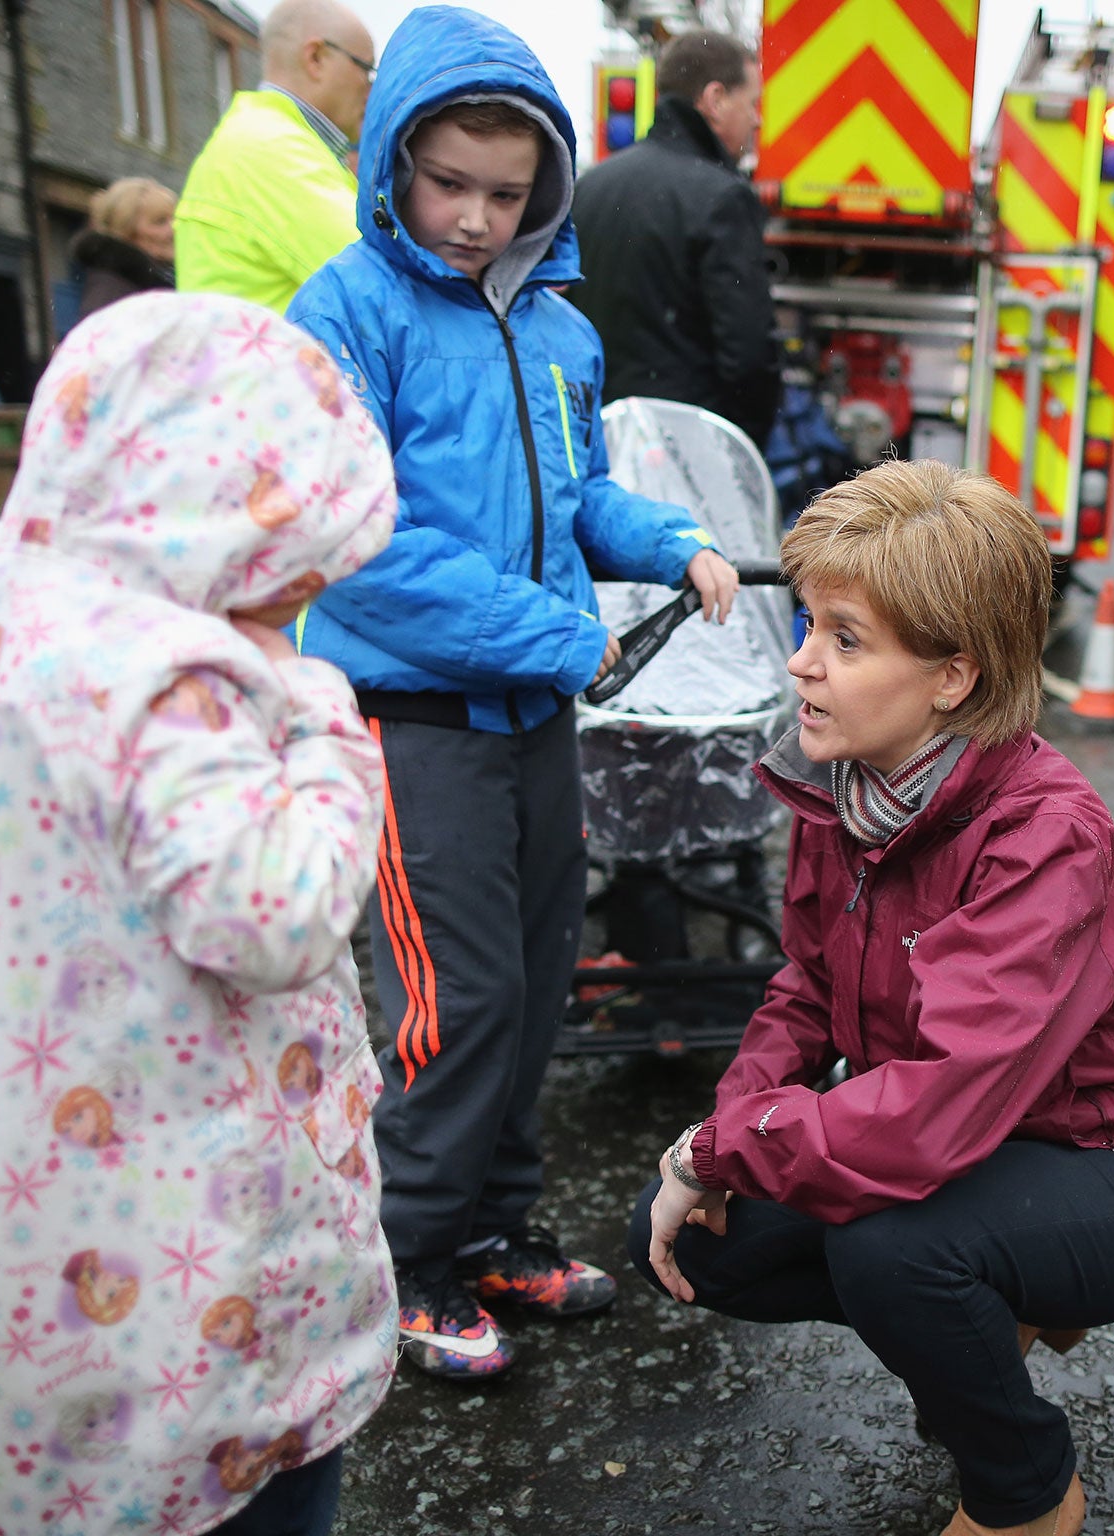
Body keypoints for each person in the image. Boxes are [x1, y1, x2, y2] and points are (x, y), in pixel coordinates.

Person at [0, 291, 400, 1536]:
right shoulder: (170, 681)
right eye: (287, 573)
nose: (287, 605)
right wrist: (318, 710)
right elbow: (279, 912)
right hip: (198, 1293)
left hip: (26, 1251)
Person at [627, 460, 1114, 1536]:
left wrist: (716, 1151)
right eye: (808, 625)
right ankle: (999, 1303)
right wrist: (719, 1134)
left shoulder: (1043, 831)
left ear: (951, 678)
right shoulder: (841, 782)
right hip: (970, 1151)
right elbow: (804, 992)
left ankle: (1024, 1494)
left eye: (846, 642)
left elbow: (935, 1106)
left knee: (891, 1249)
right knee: (693, 1237)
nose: (801, 665)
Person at [285, 5, 742, 1382]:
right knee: (454, 1000)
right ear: (393, 165)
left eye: (507, 190)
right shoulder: (345, 314)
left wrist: (671, 541)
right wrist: (552, 634)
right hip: (415, 724)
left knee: (539, 986)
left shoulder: (557, 329)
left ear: (544, 185)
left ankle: (490, 1231)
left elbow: (582, 489)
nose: (479, 217)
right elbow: (351, 543)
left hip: (537, 722)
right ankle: (407, 1260)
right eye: (450, 185)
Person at [568, 29, 779, 446]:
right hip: (682, 450)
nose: (756, 119)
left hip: (594, 435)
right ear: (715, 98)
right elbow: (748, 356)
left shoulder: (591, 187)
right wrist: (743, 445)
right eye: (751, 103)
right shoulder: (723, 198)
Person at [175, 0, 371, 313]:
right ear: (316, 57)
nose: (370, 88)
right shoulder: (271, 149)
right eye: (365, 69)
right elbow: (377, 284)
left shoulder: (262, 138)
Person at [71, 175, 178, 319]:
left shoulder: (148, 285)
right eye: (160, 221)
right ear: (127, 230)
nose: (175, 228)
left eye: (176, 218)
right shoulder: (111, 293)